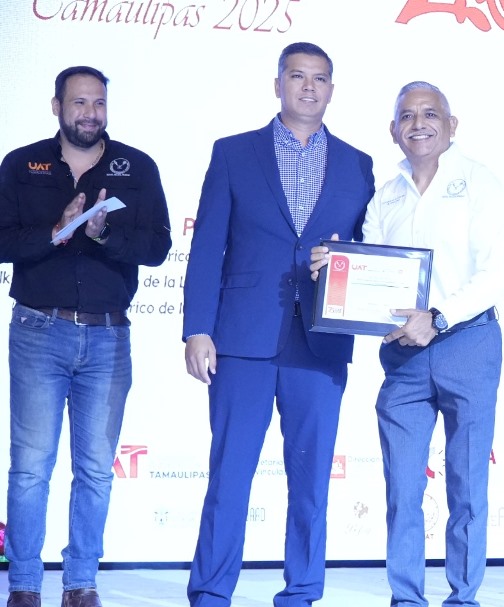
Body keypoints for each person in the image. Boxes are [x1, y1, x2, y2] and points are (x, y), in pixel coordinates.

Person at [182, 42, 374, 607]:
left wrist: (349, 259)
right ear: (278, 85)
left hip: (320, 341)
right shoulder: (233, 153)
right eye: (297, 76)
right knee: (229, 475)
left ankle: (302, 591)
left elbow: (370, 250)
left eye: (320, 78)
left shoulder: (358, 164)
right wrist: (197, 328)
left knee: (311, 480)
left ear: (332, 90)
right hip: (241, 338)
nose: (308, 87)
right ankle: (211, 592)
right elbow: (207, 247)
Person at [311, 81, 504, 607]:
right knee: (402, 486)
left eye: (430, 113)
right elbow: (373, 272)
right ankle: (406, 598)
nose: (418, 123)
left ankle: (463, 598)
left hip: (468, 342)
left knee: (467, 483)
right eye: (407, 116)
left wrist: (438, 318)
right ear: (393, 130)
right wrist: (338, 270)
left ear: (452, 124)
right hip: (403, 354)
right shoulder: (387, 195)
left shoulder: (480, 183)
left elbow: (496, 272)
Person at [0, 65, 172, 607]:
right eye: (78, 103)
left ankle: (80, 583)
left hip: (107, 337)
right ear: (57, 107)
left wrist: (103, 233)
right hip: (38, 330)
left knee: (96, 469)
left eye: (98, 103)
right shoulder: (20, 164)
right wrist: (56, 231)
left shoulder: (137, 167)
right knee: (31, 467)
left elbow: (158, 247)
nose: (90, 113)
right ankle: (24, 584)